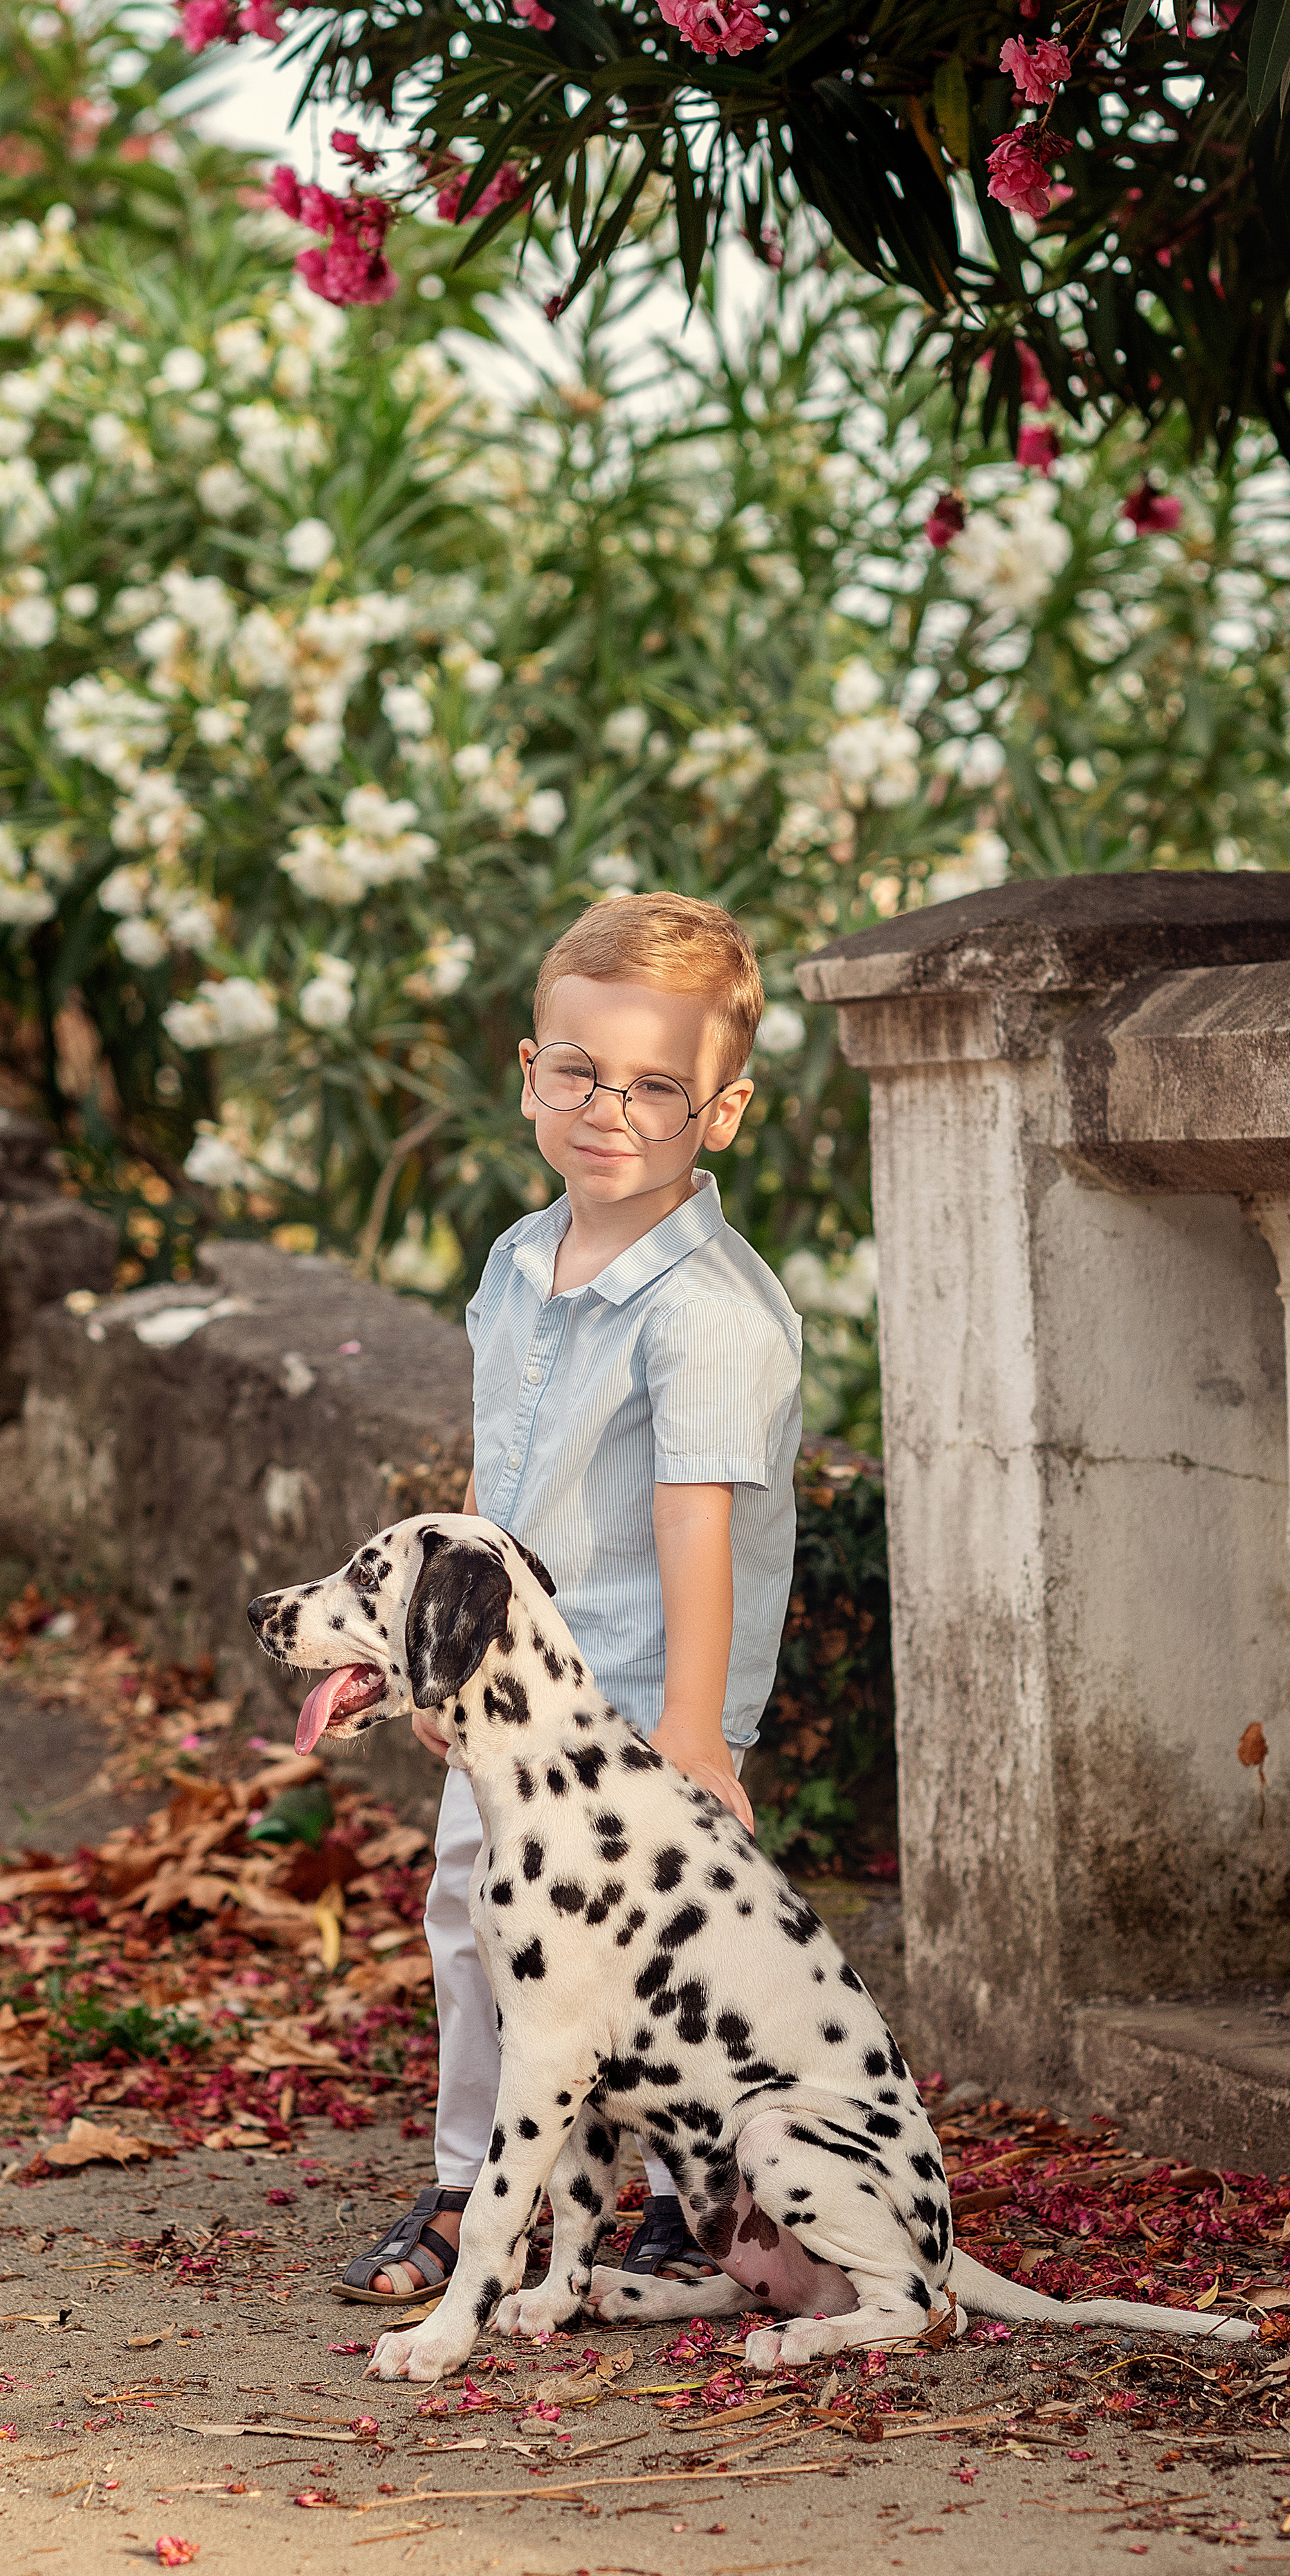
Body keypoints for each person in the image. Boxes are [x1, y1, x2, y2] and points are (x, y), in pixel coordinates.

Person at [335, 891, 804, 2307]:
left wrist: (698, 1732)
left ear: (719, 1113)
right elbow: (493, 1485)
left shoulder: (706, 1311)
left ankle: (674, 2200)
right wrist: (439, 1663)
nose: (610, 1109)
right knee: (477, 1912)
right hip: (508, 1686)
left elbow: (694, 1517)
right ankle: (475, 2176)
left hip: (641, 1709)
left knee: (653, 1952)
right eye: (578, 1071)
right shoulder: (515, 1263)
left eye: (657, 1086)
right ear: (527, 1070)